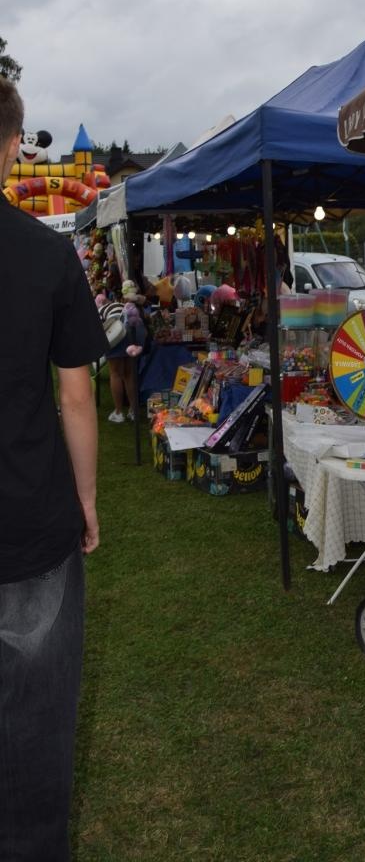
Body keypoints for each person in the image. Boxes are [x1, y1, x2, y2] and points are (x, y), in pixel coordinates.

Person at [0, 76, 108, 860]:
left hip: (30, 529)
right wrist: (87, 499)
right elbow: (76, 397)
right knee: (32, 741)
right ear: (12, 147)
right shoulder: (45, 252)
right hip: (31, 522)